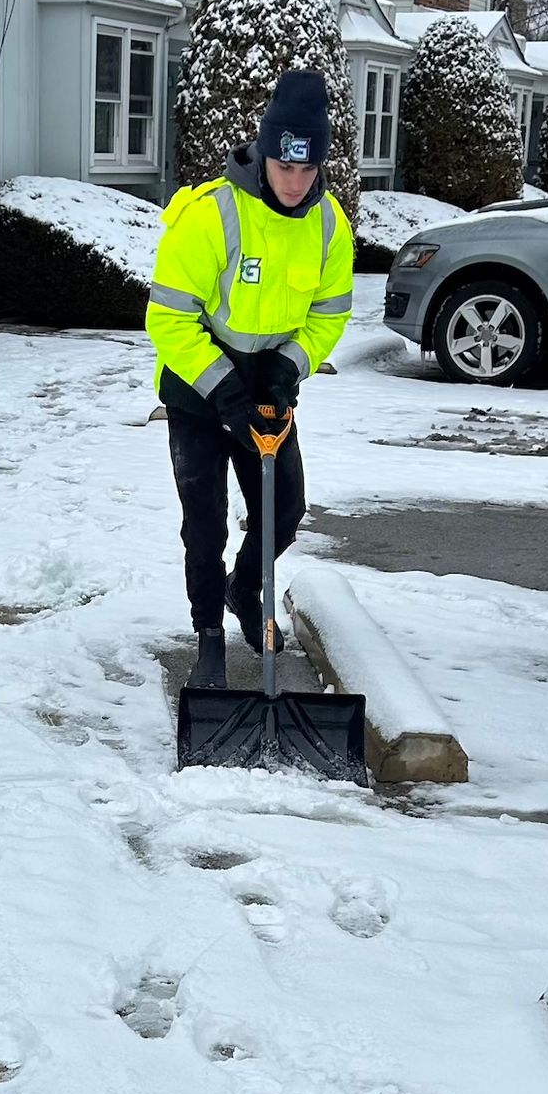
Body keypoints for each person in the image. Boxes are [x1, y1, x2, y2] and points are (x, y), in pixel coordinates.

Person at [145, 68, 356, 689]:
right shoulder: (212, 215)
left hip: (267, 386)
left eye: (307, 169)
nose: (295, 182)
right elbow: (168, 316)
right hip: (198, 382)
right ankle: (209, 631)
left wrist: (290, 368)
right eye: (284, 166)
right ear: (264, 151)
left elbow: (330, 313)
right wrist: (222, 388)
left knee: (284, 508)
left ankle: (245, 590)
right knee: (205, 519)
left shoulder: (328, 225)